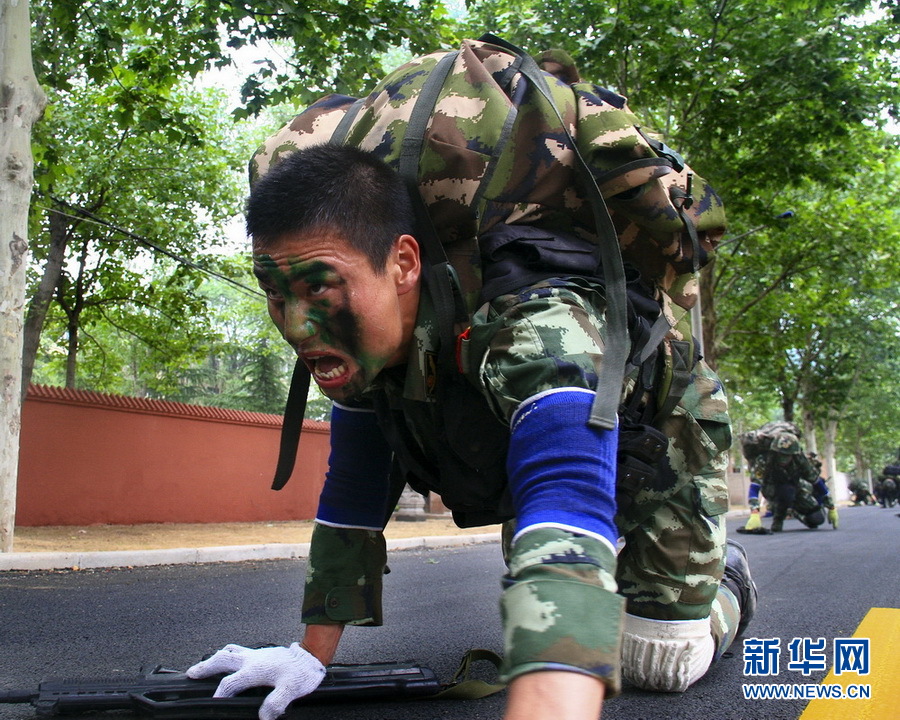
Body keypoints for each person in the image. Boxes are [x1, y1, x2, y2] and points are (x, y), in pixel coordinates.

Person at [743, 432, 838, 533]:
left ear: (793, 454)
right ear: (775, 452)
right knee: (786, 492)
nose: (783, 460)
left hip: (795, 486)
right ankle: (778, 517)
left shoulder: (800, 459)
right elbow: (755, 486)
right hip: (771, 488)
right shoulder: (764, 460)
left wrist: (831, 507)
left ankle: (793, 511)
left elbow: (816, 481)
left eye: (787, 456)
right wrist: (754, 513)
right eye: (781, 455)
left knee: (817, 519)